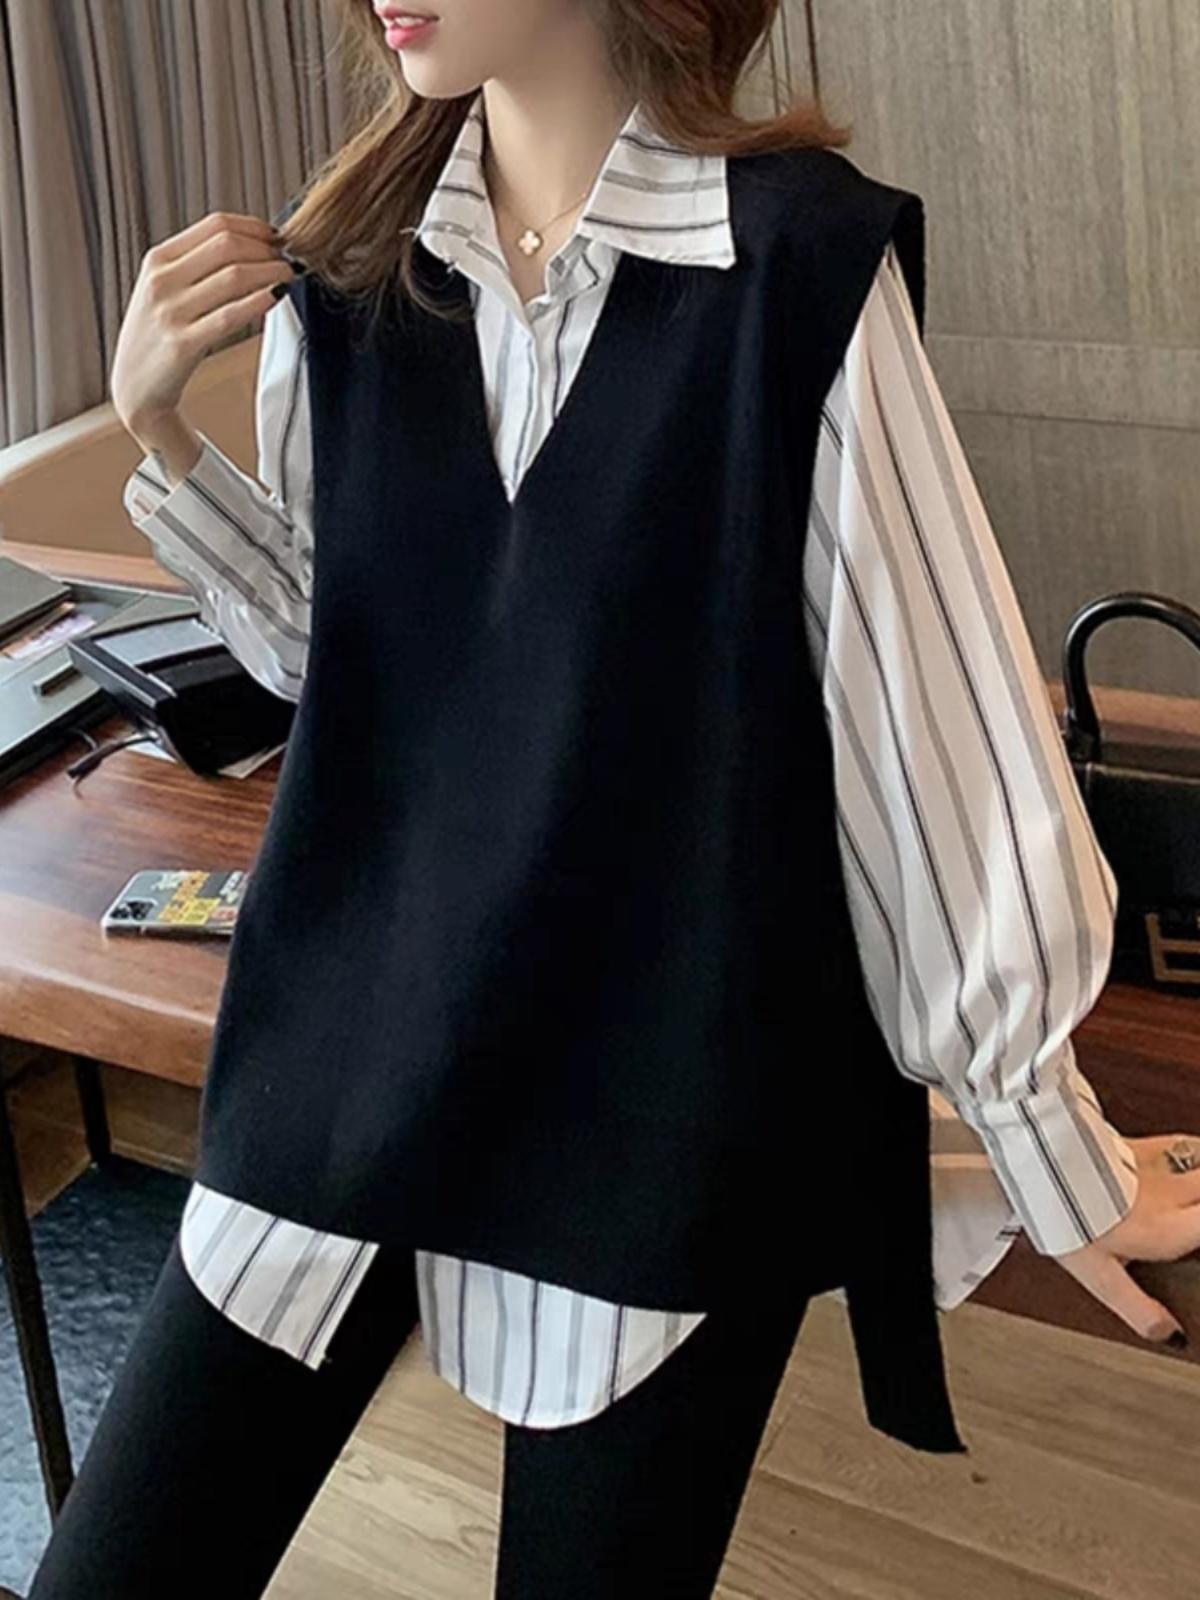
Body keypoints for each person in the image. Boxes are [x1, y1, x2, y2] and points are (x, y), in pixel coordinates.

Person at [29, 1, 1200, 1595]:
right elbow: (349, 659)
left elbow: (928, 748)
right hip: (353, 1047)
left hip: (651, 1118)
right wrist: (162, 430)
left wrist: (1049, 1146)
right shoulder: (347, 270)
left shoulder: (794, 272)